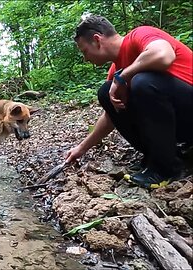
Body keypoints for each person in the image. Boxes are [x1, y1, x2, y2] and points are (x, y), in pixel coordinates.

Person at [65, 14, 193, 189]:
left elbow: (164, 56)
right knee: (106, 93)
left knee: (143, 82)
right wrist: (81, 149)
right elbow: (110, 117)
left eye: (84, 51)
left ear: (97, 40)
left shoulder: (140, 34)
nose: (86, 58)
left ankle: (166, 168)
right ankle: (162, 157)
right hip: (180, 122)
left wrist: (123, 78)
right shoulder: (116, 69)